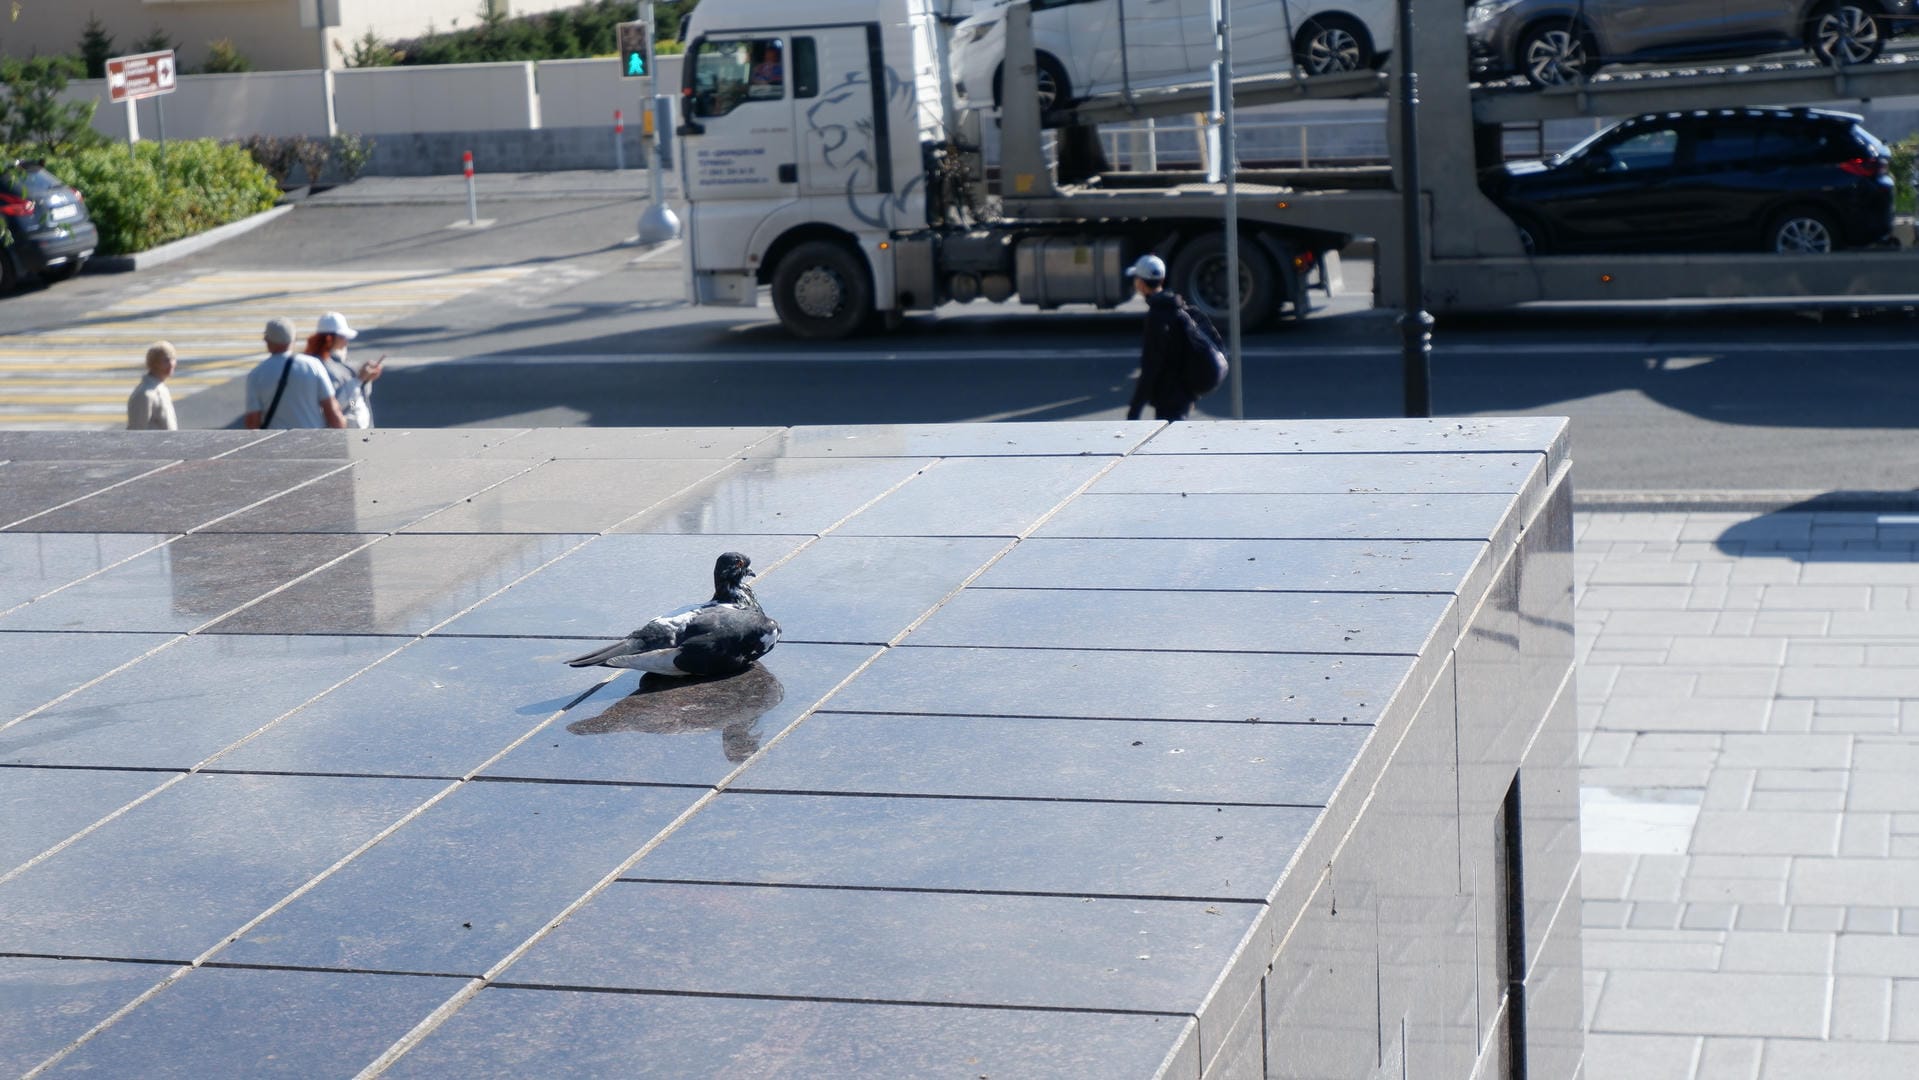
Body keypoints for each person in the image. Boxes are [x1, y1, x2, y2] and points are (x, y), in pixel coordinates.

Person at [1124, 254, 1197, 422]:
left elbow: (1151, 366)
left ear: (1141, 283)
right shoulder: (1178, 307)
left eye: (1136, 278)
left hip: (1168, 397)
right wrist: (1191, 394)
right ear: (1162, 279)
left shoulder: (1156, 316)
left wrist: (1134, 410)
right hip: (1182, 395)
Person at [244, 317, 343, 429]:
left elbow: (253, 422)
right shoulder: (313, 365)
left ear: (267, 340)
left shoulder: (256, 374)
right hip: (313, 440)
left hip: (276, 443)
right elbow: (332, 411)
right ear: (294, 338)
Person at [306, 311, 382, 429]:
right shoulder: (322, 366)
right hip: (342, 435)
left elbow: (354, 400)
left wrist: (365, 380)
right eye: (342, 337)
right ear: (329, 339)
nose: (346, 342)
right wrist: (359, 380)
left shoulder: (341, 362)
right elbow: (336, 403)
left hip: (354, 432)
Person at [126, 341, 179, 431]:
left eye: (173, 359)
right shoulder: (145, 394)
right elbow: (136, 432)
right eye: (166, 360)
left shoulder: (160, 388)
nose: (171, 364)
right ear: (154, 363)